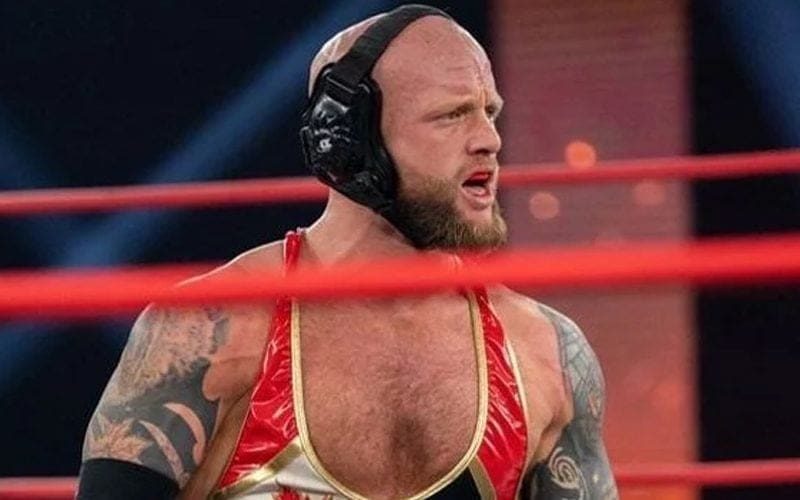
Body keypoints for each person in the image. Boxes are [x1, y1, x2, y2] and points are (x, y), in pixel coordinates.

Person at [77, 5, 617, 499]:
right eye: (452, 115)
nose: (488, 140)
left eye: (489, 112)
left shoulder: (545, 353)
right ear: (348, 139)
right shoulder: (212, 327)